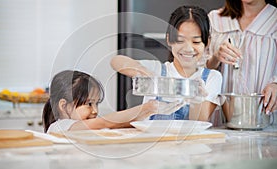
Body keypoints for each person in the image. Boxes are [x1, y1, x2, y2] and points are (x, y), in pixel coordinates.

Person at [111, 6, 223, 122]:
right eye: (180, 40)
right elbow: (116, 61)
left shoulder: (212, 78)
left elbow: (199, 121)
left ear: (207, 42)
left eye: (196, 42)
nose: (188, 49)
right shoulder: (158, 69)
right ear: (169, 40)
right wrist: (145, 72)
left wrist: (197, 101)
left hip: (190, 139)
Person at [42, 70, 182, 133]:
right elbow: (105, 122)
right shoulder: (60, 127)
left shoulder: (80, 126)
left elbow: (120, 124)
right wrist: (146, 108)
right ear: (63, 106)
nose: (95, 110)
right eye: (89, 104)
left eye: (97, 103)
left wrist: (147, 114)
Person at [206, 0, 277, 121]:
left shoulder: (274, 20)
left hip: (264, 122)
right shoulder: (214, 19)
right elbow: (195, 73)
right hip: (218, 123)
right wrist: (215, 57)